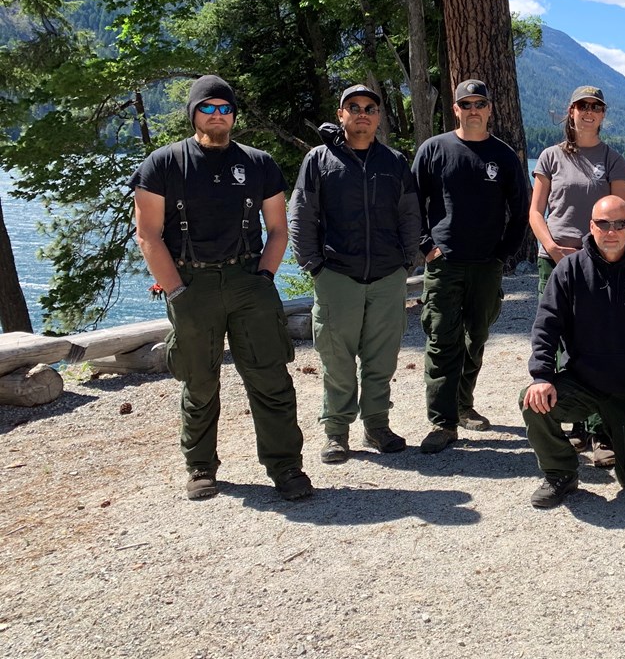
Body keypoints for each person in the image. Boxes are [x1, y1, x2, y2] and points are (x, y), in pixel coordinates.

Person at [130, 75, 312, 502]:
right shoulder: (163, 164)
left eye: (224, 108)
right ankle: (200, 465)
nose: (216, 115)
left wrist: (264, 278)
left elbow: (278, 230)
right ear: (193, 113)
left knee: (271, 378)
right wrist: (176, 293)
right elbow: (148, 236)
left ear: (233, 115)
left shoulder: (258, 163)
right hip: (190, 284)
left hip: (248, 281)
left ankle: (286, 467)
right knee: (199, 381)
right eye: (207, 108)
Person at [289, 84, 423, 464]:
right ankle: (336, 430)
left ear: (378, 117)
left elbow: (410, 215)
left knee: (382, 358)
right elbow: (301, 214)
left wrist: (405, 263)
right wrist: (314, 265)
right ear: (341, 113)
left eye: (369, 107)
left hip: (386, 275)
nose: (362, 113)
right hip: (336, 275)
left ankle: (377, 424)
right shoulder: (319, 160)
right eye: (354, 107)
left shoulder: (394, 162)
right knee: (337, 359)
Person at [520, 196, 625, 508]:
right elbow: (546, 326)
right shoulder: (569, 270)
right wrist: (542, 375)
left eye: (620, 224)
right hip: (583, 383)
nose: (611, 231)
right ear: (591, 226)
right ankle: (561, 473)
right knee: (532, 401)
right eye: (604, 224)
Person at [411, 79, 530, 454]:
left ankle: (463, 405)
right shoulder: (435, 149)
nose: (474, 109)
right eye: (467, 103)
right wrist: (427, 247)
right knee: (441, 340)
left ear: (490, 109)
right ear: (456, 109)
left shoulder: (504, 156)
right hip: (445, 263)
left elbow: (521, 209)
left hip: (486, 264)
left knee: (475, 338)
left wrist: (503, 254)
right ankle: (442, 423)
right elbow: (410, 204)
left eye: (481, 102)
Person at [528, 85, 625, 463]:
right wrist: (553, 248)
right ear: (570, 111)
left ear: (603, 114)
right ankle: (563, 423)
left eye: (596, 107)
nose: (589, 112)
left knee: (597, 342)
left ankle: (598, 430)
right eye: (582, 106)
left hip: (598, 260)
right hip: (553, 259)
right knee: (554, 342)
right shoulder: (550, 157)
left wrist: (599, 250)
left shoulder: (613, 159)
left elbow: (621, 212)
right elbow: (535, 212)